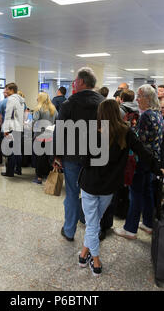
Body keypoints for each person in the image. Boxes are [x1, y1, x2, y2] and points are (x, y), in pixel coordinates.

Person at [78, 99, 164, 276]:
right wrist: (158, 168)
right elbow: (143, 152)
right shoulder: (126, 132)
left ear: (100, 113)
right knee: (95, 221)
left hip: (90, 184)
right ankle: (84, 254)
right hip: (109, 186)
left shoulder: (92, 131)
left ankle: (94, 261)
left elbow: (84, 161)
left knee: (92, 223)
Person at [53, 67, 105, 241]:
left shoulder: (69, 104)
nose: (74, 83)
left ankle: (69, 230)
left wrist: (57, 156)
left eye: (75, 80)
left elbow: (60, 131)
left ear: (81, 82)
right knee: (94, 194)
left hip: (72, 156)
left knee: (72, 193)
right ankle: (94, 231)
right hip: (97, 156)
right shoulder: (104, 103)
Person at [114, 84, 163, 240]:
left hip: (141, 160)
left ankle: (130, 229)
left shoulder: (146, 115)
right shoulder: (158, 113)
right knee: (147, 192)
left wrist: (129, 130)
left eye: (140, 96)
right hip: (152, 159)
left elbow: (138, 140)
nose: (137, 99)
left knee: (135, 194)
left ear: (148, 99)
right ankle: (148, 223)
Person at [32, 92, 57, 184]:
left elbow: (35, 121)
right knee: (48, 156)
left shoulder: (38, 109)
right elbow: (57, 121)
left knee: (39, 157)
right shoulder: (53, 109)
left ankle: (38, 177)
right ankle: (47, 175)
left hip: (40, 136)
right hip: (50, 135)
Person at [1, 83, 26, 177]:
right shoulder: (21, 100)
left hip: (12, 127)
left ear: (11, 90)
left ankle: (9, 172)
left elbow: (8, 114)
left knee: (10, 151)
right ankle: (18, 169)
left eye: (6, 89)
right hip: (19, 127)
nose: (5, 91)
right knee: (17, 150)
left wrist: (5, 129)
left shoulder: (11, 99)